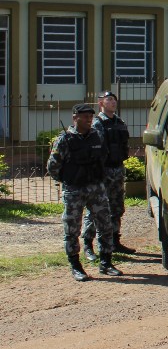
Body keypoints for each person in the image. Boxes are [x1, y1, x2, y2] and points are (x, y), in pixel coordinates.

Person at [47, 104, 122, 281]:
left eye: (90, 116)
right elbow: (53, 166)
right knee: (72, 229)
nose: (89, 119)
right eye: (84, 116)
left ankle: (106, 263)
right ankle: (76, 266)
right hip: (74, 189)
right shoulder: (65, 140)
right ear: (75, 118)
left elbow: (103, 158)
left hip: (96, 188)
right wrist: (68, 180)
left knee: (105, 225)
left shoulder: (96, 137)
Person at [83, 91, 132, 260]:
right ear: (101, 103)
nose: (113, 102)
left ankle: (114, 241)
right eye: (109, 99)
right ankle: (88, 245)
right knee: (96, 208)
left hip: (117, 169)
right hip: (103, 171)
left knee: (117, 207)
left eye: (114, 99)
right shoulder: (97, 123)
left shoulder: (120, 122)